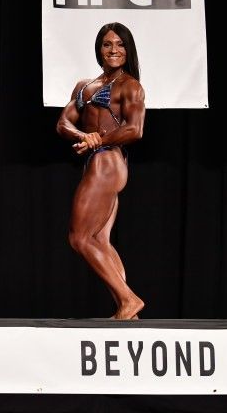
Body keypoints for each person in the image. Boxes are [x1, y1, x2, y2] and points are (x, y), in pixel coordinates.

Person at [56, 22, 145, 320]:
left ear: (128, 50)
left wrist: (99, 140)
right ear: (99, 49)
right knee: (100, 241)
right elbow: (63, 123)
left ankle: (129, 300)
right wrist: (84, 136)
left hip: (109, 161)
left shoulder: (130, 86)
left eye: (120, 44)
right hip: (96, 161)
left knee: (79, 238)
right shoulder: (85, 86)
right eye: (107, 44)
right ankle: (127, 311)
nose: (114, 50)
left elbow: (134, 129)